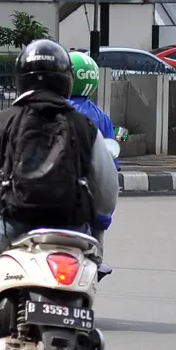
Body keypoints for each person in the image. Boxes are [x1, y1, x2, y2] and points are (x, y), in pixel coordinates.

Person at [0, 39, 119, 345]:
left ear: (21, 78)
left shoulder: (3, 121)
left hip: (17, 222)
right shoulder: (86, 125)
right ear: (66, 78)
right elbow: (107, 196)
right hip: (73, 228)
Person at [67, 51, 117, 277]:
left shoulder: (47, 109)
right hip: (89, 199)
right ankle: (95, 263)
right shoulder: (100, 117)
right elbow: (109, 167)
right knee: (98, 232)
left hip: (43, 197)